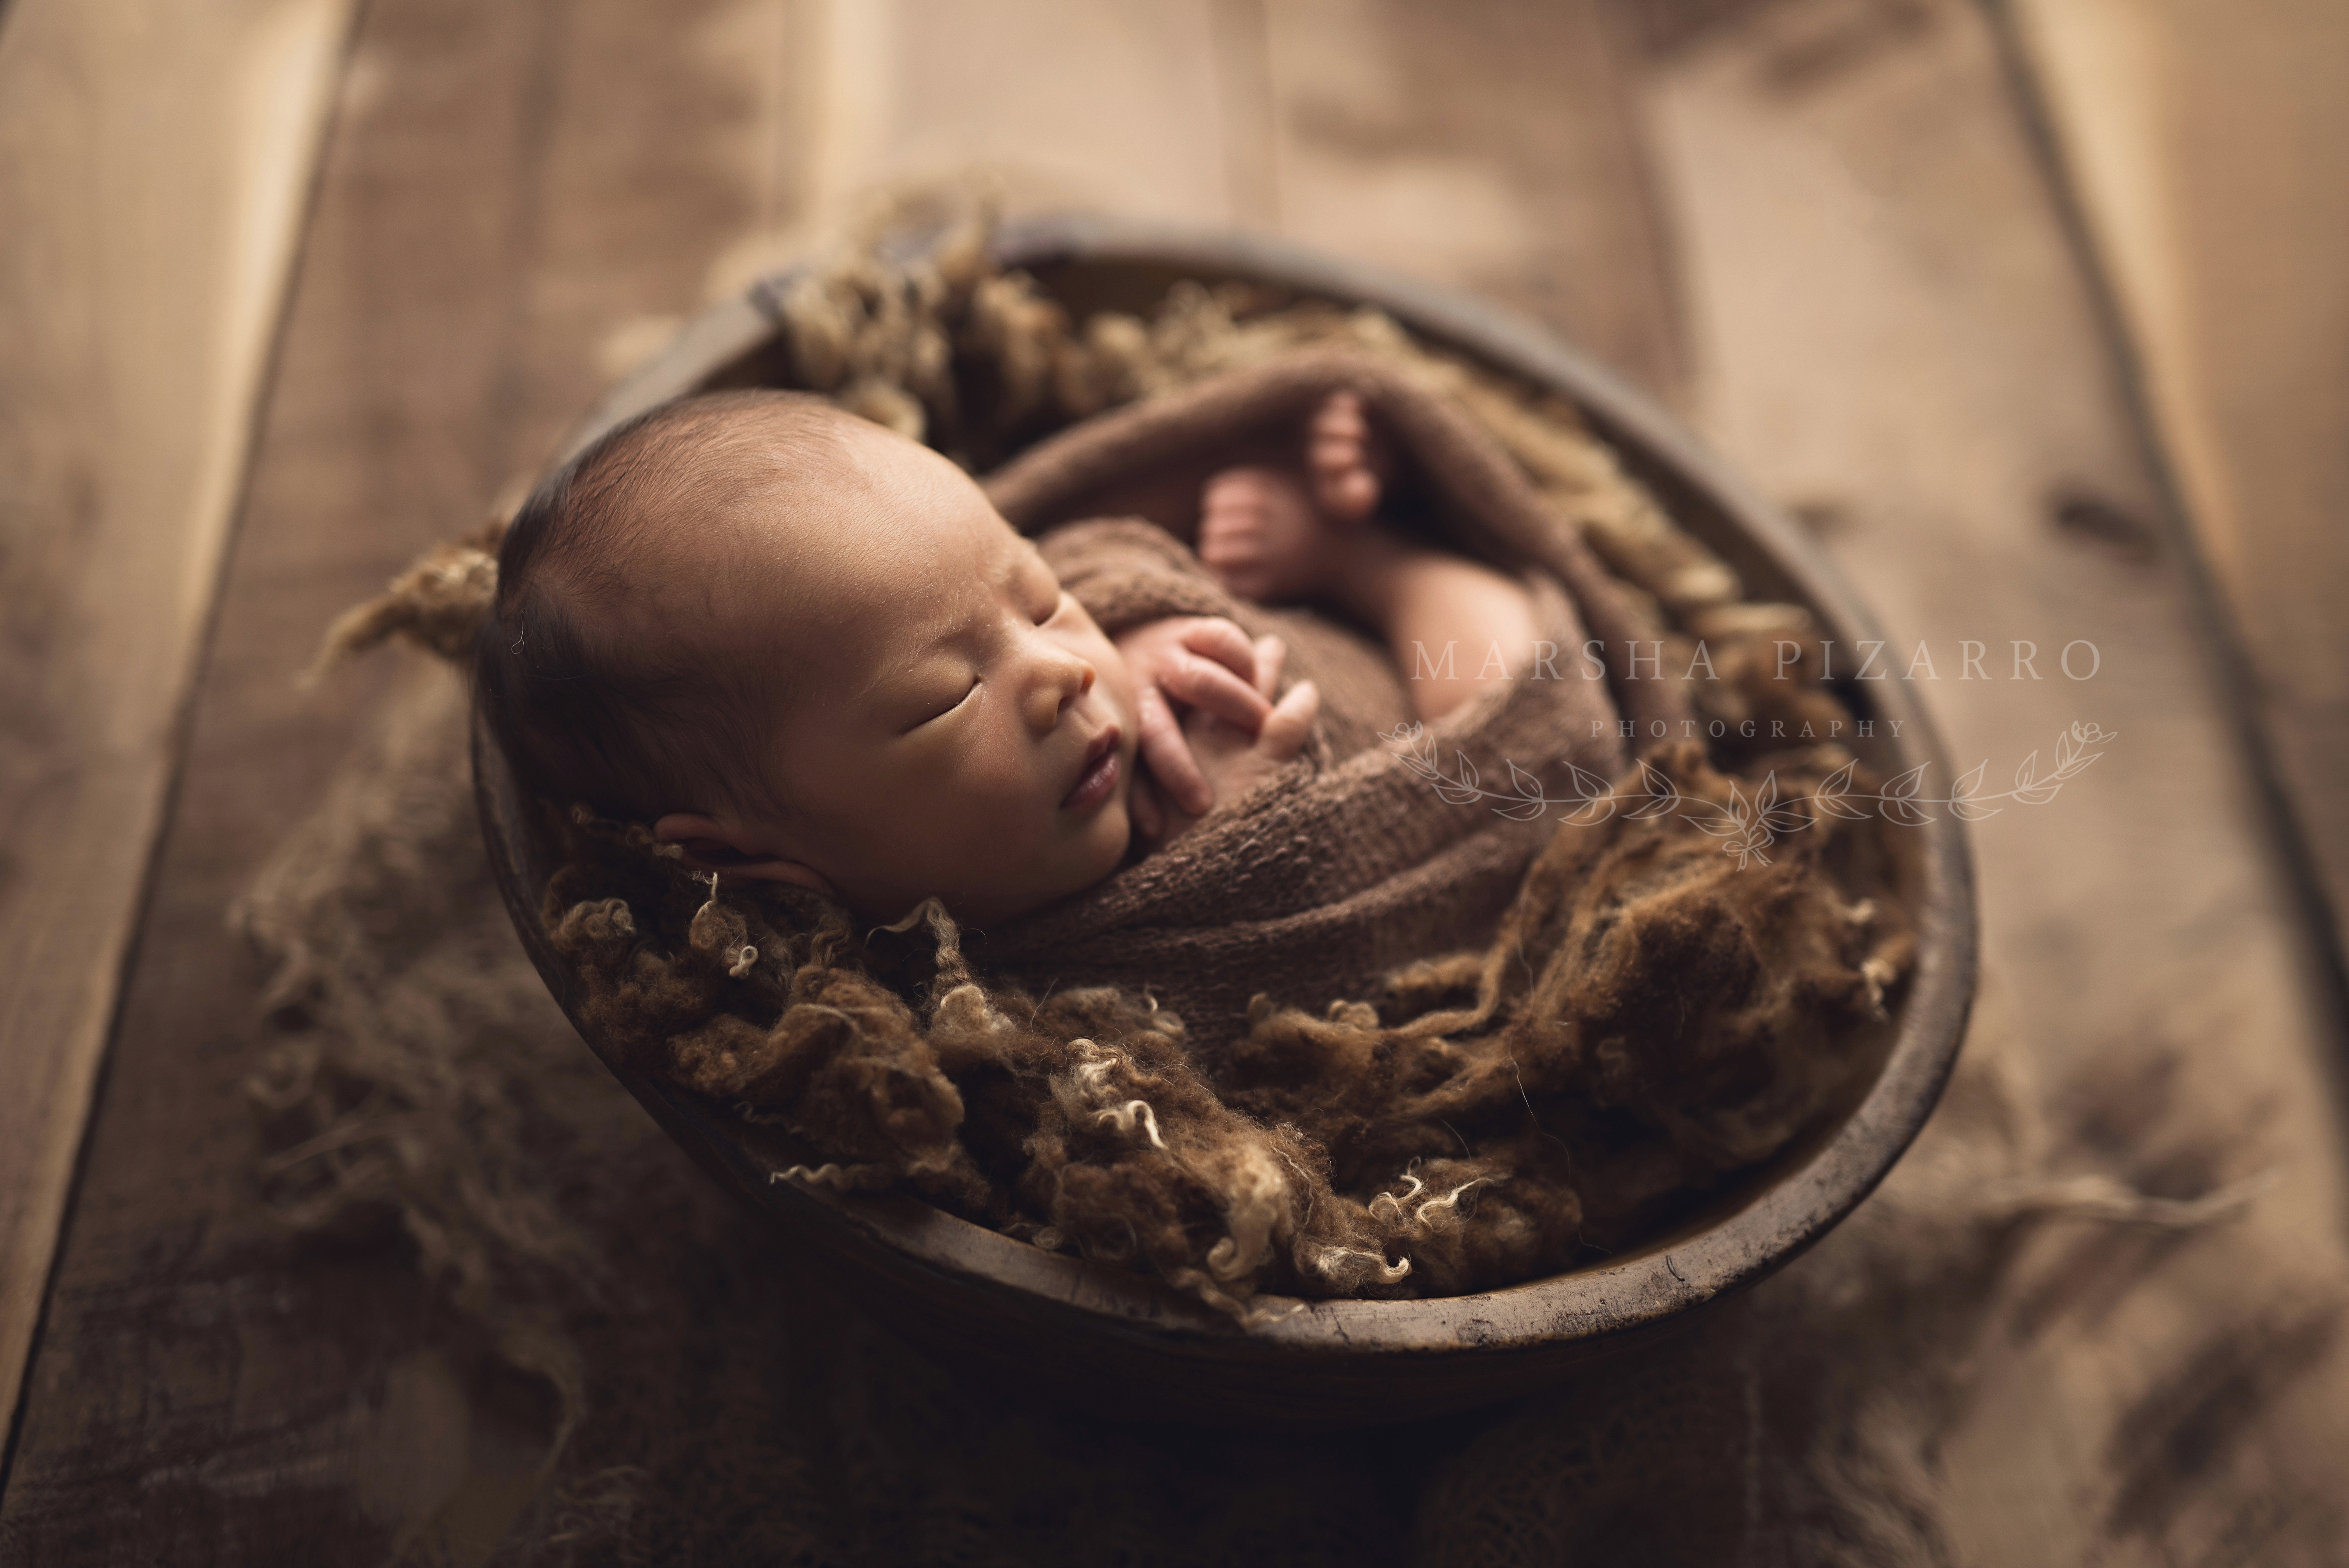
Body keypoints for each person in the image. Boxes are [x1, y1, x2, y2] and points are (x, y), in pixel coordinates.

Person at [478, 387, 1540, 928]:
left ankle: (1375, 558)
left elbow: (1096, 553)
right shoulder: (934, 1024)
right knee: (1530, 786)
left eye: (1038, 603)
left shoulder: (1074, 659)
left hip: (1368, 668)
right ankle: (1368, 552)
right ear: (756, 866)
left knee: (1501, 691)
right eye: (945, 702)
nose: (1057, 673)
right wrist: (1252, 844)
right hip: (1440, 830)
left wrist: (1144, 620)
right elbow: (1238, 1049)